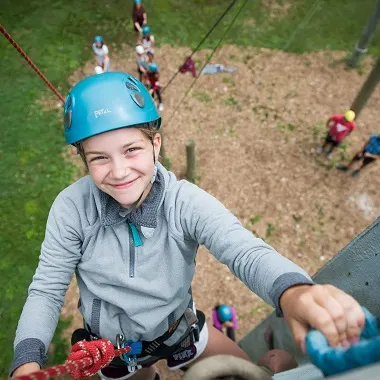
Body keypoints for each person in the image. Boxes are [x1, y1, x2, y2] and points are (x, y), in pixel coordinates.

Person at [10, 72, 365, 380]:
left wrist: (293, 292)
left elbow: (242, 248)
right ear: (84, 159)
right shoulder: (71, 210)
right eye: (99, 158)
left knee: (242, 369)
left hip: (177, 331)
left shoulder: (183, 202)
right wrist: (26, 361)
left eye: (131, 150)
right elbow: (47, 290)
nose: (118, 171)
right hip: (113, 348)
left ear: (156, 144)